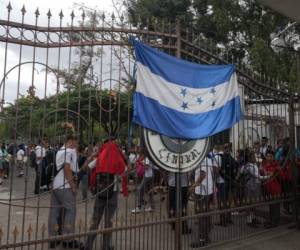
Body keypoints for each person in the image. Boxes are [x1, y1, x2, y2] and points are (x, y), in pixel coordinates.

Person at [83, 137, 127, 250]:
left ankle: (88, 245)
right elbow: (126, 170)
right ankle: (106, 245)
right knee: (109, 221)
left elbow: (86, 168)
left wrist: (94, 155)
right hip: (113, 193)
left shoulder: (100, 158)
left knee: (95, 220)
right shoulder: (118, 158)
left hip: (100, 192)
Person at [48, 134, 82, 249]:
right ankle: (68, 240)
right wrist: (73, 186)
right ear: (71, 141)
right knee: (70, 210)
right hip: (65, 185)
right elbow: (67, 168)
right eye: (76, 142)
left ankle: (53, 238)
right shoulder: (68, 151)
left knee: (55, 211)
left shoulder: (60, 151)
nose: (77, 145)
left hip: (56, 185)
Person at [190, 155, 216, 248]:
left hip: (202, 191)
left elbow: (202, 175)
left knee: (202, 215)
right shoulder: (208, 159)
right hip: (207, 190)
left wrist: (193, 186)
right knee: (206, 214)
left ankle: (202, 239)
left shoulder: (203, 160)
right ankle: (206, 236)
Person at [239, 150, 270, 227]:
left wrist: (263, 169)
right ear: (250, 158)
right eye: (254, 156)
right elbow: (258, 176)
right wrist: (269, 177)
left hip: (256, 186)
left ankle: (254, 218)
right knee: (249, 204)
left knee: (254, 204)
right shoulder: (249, 166)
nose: (256, 158)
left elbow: (260, 170)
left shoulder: (254, 165)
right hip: (250, 187)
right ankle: (249, 221)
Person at [262, 151, 282, 228]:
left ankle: (275, 221)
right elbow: (264, 175)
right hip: (268, 188)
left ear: (273, 157)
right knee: (271, 205)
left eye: (270, 156)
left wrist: (271, 172)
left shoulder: (276, 165)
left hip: (275, 188)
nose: (268, 158)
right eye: (267, 156)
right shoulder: (265, 165)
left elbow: (278, 175)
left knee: (275, 205)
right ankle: (272, 220)